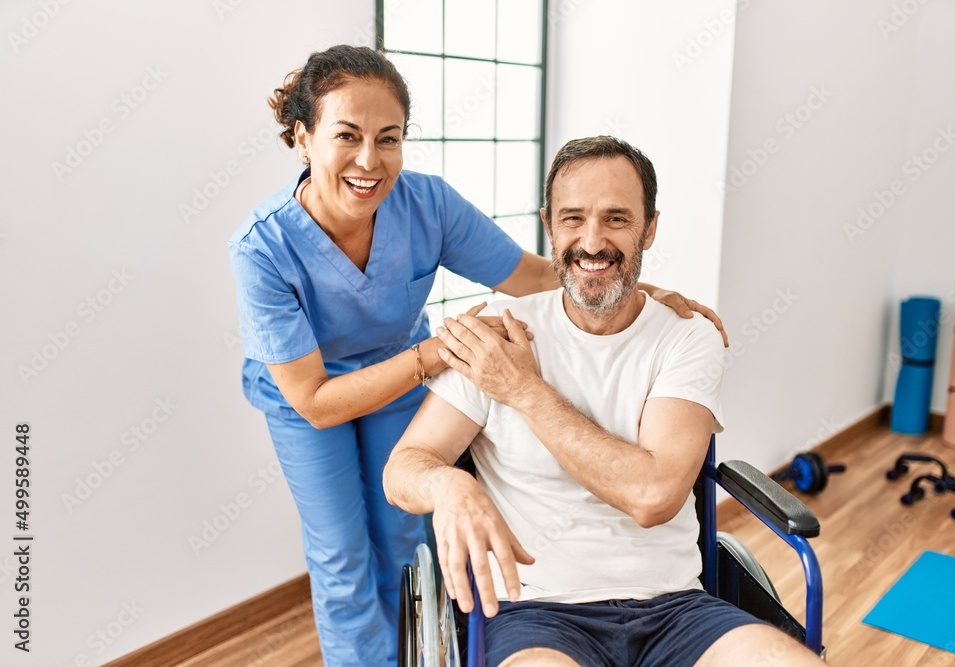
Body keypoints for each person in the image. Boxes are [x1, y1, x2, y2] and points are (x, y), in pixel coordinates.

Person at [228, 45, 725, 666]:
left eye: (389, 139)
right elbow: (316, 402)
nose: (369, 160)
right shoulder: (262, 248)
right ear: (303, 138)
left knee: (402, 541)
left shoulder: (427, 204)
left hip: (402, 378)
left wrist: (636, 286)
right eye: (347, 136)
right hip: (312, 398)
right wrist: (437, 352)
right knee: (341, 557)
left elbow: (533, 273)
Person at [383, 136, 824, 666]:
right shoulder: (498, 334)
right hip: (536, 613)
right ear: (550, 225)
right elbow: (404, 469)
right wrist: (450, 484)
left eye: (616, 219)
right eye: (573, 219)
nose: (591, 241)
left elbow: (653, 496)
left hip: (676, 608)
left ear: (650, 228)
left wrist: (525, 390)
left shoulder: (686, 335)